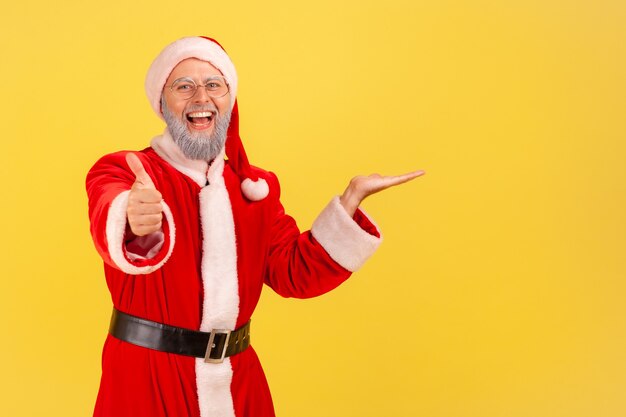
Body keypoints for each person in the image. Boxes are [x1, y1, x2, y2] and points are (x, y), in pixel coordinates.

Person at [86, 36, 424, 417]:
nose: (201, 97)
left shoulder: (255, 190)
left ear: (230, 100)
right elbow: (107, 211)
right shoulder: (125, 171)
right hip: (146, 380)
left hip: (237, 381)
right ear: (162, 103)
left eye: (214, 85)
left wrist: (349, 202)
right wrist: (132, 217)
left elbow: (293, 272)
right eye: (184, 86)